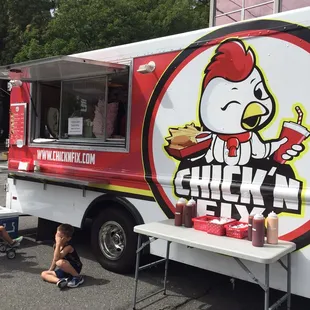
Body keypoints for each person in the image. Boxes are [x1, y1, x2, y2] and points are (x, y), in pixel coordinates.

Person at [41, 223, 84, 289]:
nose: (58, 239)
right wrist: (51, 270)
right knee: (44, 274)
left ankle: (77, 277)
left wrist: (58, 244)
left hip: (74, 267)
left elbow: (57, 258)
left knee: (59, 262)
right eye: (57, 235)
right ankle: (60, 281)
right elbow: (54, 259)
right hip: (64, 269)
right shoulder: (56, 246)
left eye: (61, 237)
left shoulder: (68, 247)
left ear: (68, 238)